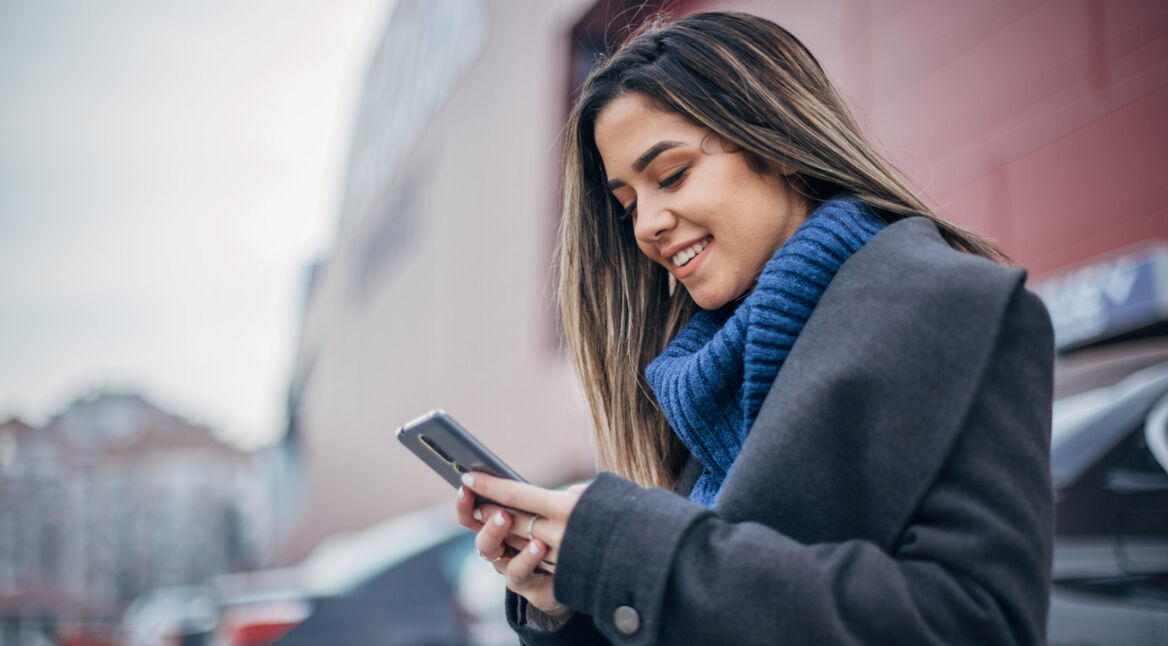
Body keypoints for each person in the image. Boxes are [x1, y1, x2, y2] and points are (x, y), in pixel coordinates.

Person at [455, 10, 1054, 645]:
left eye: (672, 175)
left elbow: (975, 625)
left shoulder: (958, 309)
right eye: (628, 205)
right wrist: (574, 601)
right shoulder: (700, 384)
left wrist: (631, 548)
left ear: (775, 144)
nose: (647, 225)